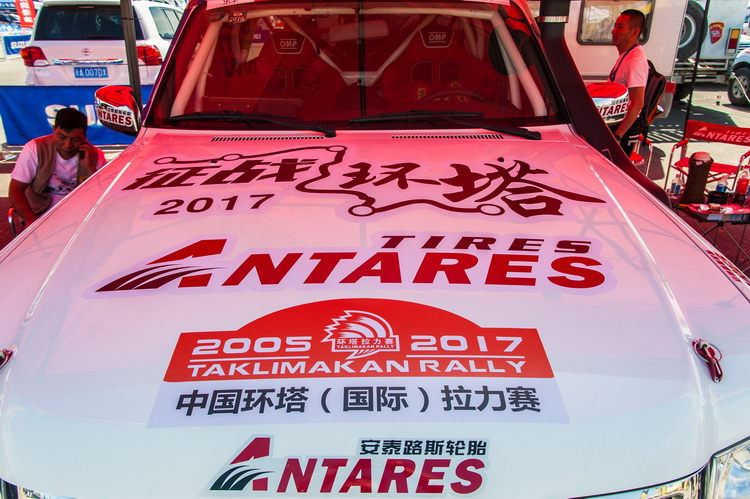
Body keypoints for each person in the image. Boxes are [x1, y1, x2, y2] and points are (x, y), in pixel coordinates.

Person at [9, 107, 106, 226]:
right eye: (62, 137)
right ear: (53, 130)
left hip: (80, 217)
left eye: (75, 140)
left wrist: (89, 168)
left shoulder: (95, 155)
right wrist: (30, 220)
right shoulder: (35, 148)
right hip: (41, 215)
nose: (67, 145)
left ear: (84, 137)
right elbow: (16, 189)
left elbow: (105, 194)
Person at [609, 9, 648, 156]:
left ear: (634, 32)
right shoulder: (627, 55)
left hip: (624, 127)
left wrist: (618, 136)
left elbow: (637, 103)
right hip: (616, 121)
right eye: (615, 26)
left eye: (620, 27)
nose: (614, 31)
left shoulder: (635, 61)